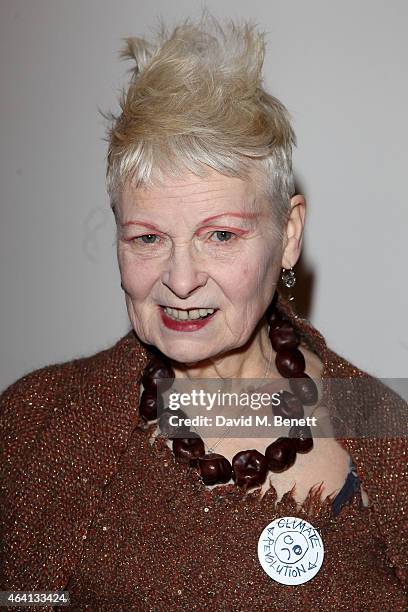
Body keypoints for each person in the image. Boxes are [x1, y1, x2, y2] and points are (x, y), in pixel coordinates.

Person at [0, 13, 407, 611]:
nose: (181, 280)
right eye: (147, 238)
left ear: (289, 233)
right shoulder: (31, 424)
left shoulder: (385, 429)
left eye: (220, 235)